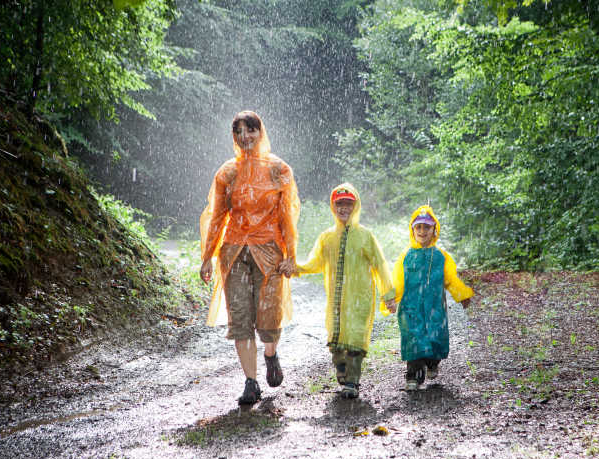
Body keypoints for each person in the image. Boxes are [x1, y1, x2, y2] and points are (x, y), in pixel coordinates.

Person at [199, 110, 300, 406]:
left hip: (269, 250)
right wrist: (207, 256)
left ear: (261, 132)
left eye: (250, 130)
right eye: (239, 132)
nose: (245, 137)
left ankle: (271, 355)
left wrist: (291, 255)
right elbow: (217, 216)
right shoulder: (227, 173)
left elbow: (287, 216)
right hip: (233, 252)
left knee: (269, 318)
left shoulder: (278, 169)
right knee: (240, 320)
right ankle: (250, 383)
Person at [280, 183, 396, 399]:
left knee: (355, 341)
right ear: (333, 207)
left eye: (348, 204)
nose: (344, 209)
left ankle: (352, 381)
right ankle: (341, 368)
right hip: (337, 303)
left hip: (361, 299)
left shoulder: (365, 236)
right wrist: (295, 268)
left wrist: (388, 294)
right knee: (336, 343)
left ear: (356, 206)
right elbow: (315, 263)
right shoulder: (327, 237)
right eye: (339, 204)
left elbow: (380, 265)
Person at [385, 205, 474, 391]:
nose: (422, 231)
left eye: (427, 227)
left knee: (435, 340)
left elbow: (451, 279)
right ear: (412, 230)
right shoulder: (406, 257)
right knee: (414, 340)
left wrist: (462, 295)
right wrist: (390, 299)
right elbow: (396, 281)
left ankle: (433, 363)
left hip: (435, 309)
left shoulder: (441, 257)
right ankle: (413, 376)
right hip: (411, 309)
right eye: (418, 227)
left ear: (434, 229)